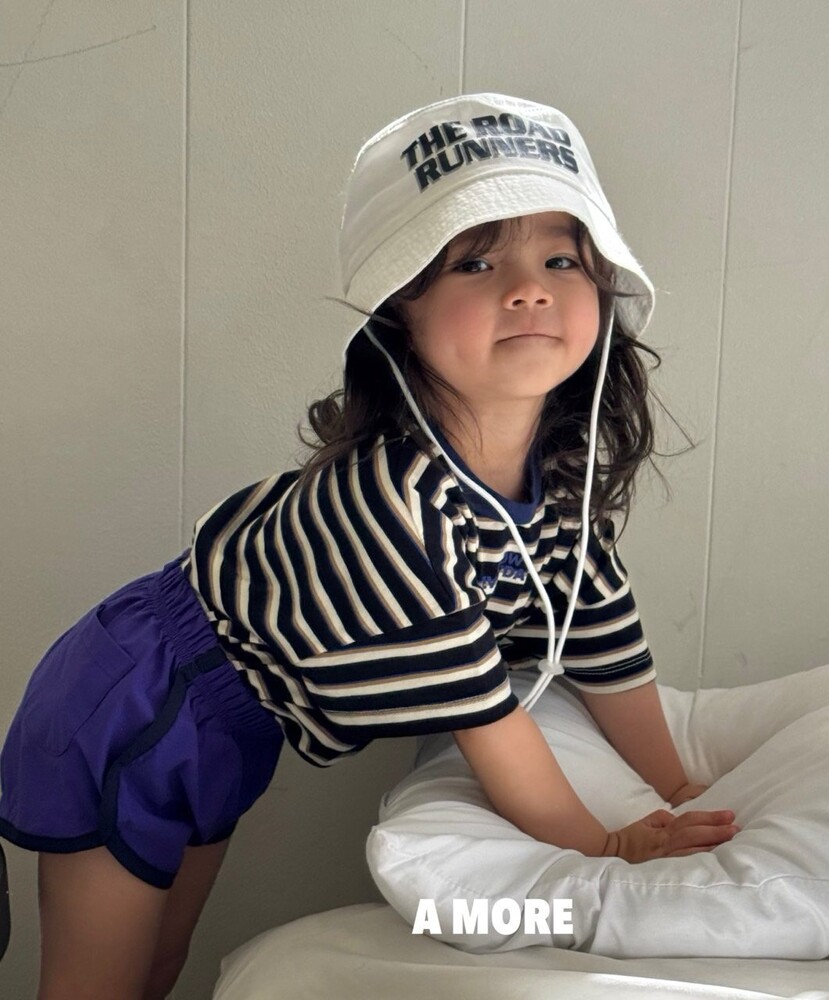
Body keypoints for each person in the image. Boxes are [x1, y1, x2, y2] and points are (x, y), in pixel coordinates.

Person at [0, 94, 738, 999]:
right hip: (141, 698)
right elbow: (487, 723)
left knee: (157, 967)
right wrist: (610, 846)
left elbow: (606, 648)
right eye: (476, 262)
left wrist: (679, 792)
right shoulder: (394, 508)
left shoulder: (557, 485)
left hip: (236, 721)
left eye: (561, 258)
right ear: (400, 315)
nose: (529, 288)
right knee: (97, 986)